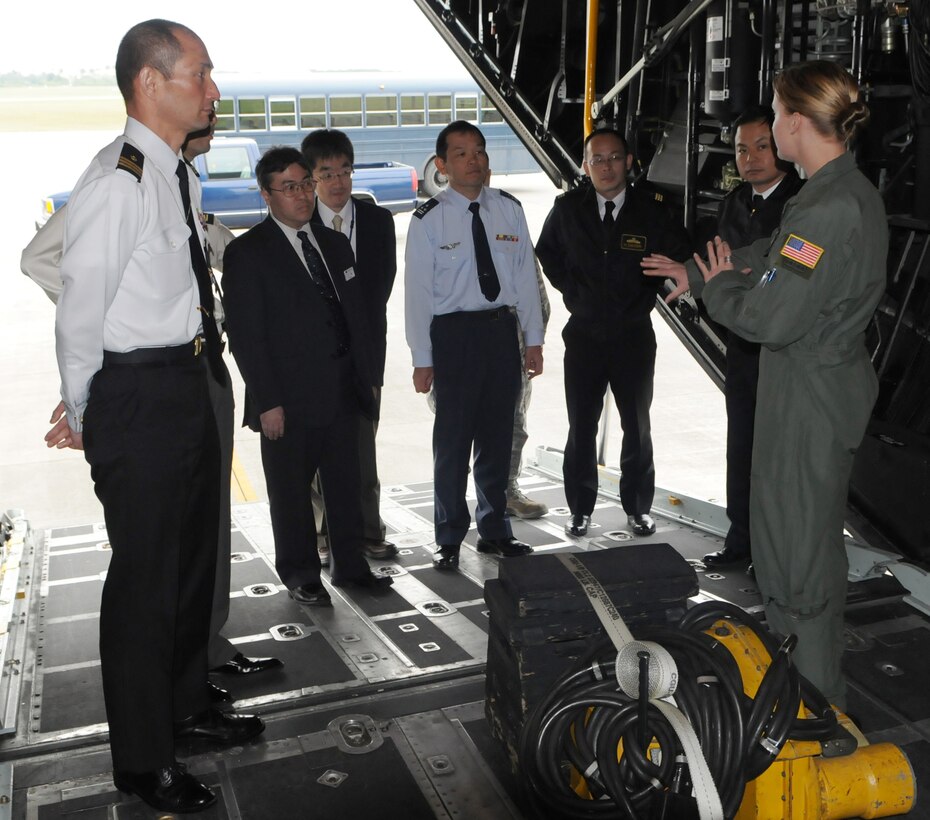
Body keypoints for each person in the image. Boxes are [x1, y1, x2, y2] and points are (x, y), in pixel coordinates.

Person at [44, 19, 264, 814]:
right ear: (150, 83)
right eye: (200, 74)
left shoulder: (176, 174)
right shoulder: (120, 181)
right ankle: (143, 761)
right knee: (145, 583)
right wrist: (85, 410)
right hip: (138, 399)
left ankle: (186, 710)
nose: (213, 89)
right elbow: (81, 315)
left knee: (190, 567)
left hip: (184, 377)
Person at [643, 60, 887, 709]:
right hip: (812, 390)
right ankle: (803, 698)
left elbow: (769, 315)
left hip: (806, 396)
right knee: (796, 548)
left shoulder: (828, 210)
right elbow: (775, 254)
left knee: (795, 563)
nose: (770, 126)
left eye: (777, 114)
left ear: (799, 121)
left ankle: (810, 714)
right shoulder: (832, 195)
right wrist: (699, 270)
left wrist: (716, 288)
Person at [21, 116, 283, 688]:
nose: (214, 108)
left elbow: (211, 254)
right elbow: (43, 259)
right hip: (158, 377)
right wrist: (112, 336)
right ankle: (192, 659)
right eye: (202, 91)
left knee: (206, 526)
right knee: (167, 547)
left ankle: (203, 649)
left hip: (202, 364)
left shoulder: (181, 180)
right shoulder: (126, 178)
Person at [222, 146, 391, 606]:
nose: (302, 195)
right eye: (290, 187)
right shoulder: (247, 253)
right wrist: (267, 400)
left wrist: (366, 379)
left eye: (305, 184)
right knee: (291, 495)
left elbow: (358, 317)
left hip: (342, 390)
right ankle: (301, 576)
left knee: (344, 486)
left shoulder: (333, 244)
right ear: (267, 194)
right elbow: (246, 337)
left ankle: (351, 567)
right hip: (288, 400)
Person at [648, 107, 804, 570]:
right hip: (742, 346)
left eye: (761, 146)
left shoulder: (801, 204)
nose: (750, 158)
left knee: (780, 456)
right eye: (741, 149)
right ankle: (742, 543)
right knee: (743, 447)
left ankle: (776, 552)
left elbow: (764, 269)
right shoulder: (735, 204)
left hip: (782, 348)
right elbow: (721, 265)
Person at [536, 127, 691, 539]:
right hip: (584, 334)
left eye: (614, 157)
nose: (606, 166)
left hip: (632, 334)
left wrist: (649, 289)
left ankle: (638, 508)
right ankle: (580, 509)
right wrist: (572, 287)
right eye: (597, 159)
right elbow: (546, 252)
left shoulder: (653, 209)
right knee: (581, 426)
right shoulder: (568, 208)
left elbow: (675, 253)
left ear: (629, 162)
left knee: (636, 426)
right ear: (586, 166)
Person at [405, 120, 545, 572]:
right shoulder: (428, 219)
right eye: (461, 153)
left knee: (497, 438)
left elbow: (525, 279)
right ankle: (448, 535)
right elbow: (417, 296)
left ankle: (495, 530)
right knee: (452, 443)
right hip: (454, 338)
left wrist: (534, 339)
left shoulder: (509, 210)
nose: (474, 161)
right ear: (442, 166)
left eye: (480, 152)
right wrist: (421, 359)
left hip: (501, 333)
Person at [300, 129, 398, 564]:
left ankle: (367, 531)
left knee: (363, 451)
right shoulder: (301, 226)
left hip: (366, 357)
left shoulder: (378, 222)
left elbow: (381, 288)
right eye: (326, 173)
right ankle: (321, 534)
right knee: (316, 452)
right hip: (315, 361)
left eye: (344, 171)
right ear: (311, 178)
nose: (338, 182)